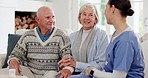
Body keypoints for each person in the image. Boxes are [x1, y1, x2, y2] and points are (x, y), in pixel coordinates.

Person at [8, 6, 73, 78]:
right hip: (30, 72)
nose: (52, 20)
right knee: (11, 70)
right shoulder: (28, 36)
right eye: (48, 17)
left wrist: (67, 69)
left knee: (52, 74)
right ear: (38, 20)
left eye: (53, 17)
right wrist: (13, 60)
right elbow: (16, 54)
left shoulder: (61, 36)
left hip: (50, 73)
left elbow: (67, 57)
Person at [84, 0, 145, 78]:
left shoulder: (126, 40)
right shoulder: (118, 34)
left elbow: (118, 76)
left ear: (112, 8)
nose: (104, 13)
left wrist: (93, 71)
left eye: (106, 7)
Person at [58, 3, 109, 77]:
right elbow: (70, 59)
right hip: (75, 72)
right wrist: (67, 67)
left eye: (91, 15)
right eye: (84, 14)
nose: (87, 17)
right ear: (79, 17)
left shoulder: (102, 35)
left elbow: (101, 65)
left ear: (95, 18)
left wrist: (76, 64)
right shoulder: (72, 36)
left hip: (93, 74)